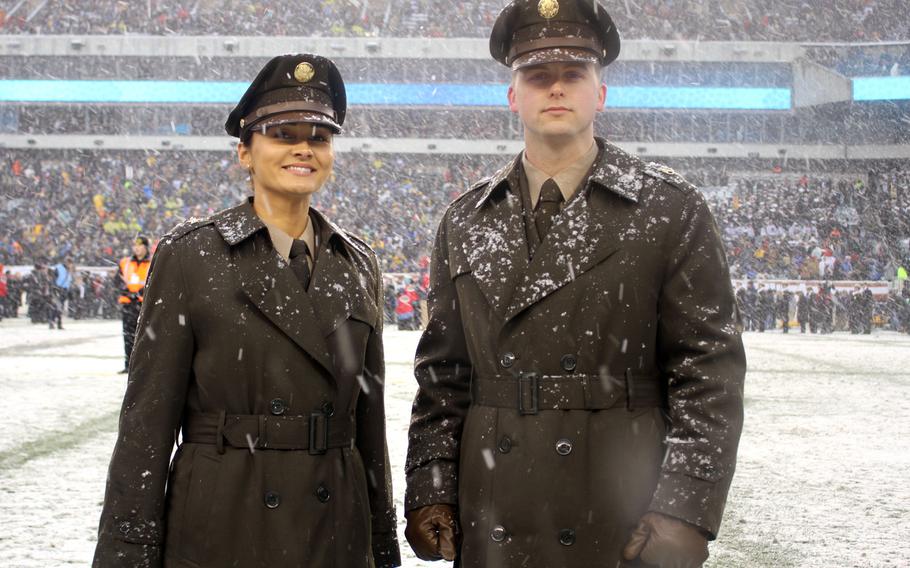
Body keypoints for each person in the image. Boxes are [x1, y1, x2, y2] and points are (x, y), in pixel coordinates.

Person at [403, 2, 746, 567]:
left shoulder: (668, 207)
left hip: (618, 504)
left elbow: (708, 372)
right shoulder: (463, 220)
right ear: (513, 97)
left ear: (600, 94)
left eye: (573, 74)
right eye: (537, 76)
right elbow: (444, 377)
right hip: (494, 509)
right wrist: (432, 486)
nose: (555, 88)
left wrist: (684, 509)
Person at [93, 53, 401, 568]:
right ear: (245, 152)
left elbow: (368, 424)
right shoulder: (190, 255)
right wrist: (128, 552)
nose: (304, 147)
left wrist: (381, 542)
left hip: (336, 528)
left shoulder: (358, 261)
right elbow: (147, 424)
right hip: (224, 521)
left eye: (319, 137)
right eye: (283, 133)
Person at [117, 236, 152, 372]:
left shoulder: (151, 263)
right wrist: (125, 290)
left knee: (145, 335)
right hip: (128, 304)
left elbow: (153, 281)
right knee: (128, 335)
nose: (137, 248)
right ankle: (129, 365)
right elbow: (117, 280)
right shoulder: (125, 263)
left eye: (140, 245)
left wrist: (139, 292)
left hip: (143, 305)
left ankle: (144, 365)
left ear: (146, 247)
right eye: (135, 245)